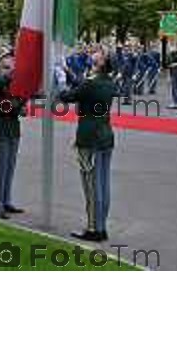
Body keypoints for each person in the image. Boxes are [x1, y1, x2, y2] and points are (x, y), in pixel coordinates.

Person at [59, 50, 119, 242]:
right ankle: (101, 226)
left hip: (89, 137)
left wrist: (60, 79)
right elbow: (83, 85)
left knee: (91, 186)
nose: (96, 53)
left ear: (102, 63)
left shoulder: (91, 84)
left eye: (101, 55)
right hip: (105, 135)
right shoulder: (108, 82)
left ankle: (93, 228)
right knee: (103, 184)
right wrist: (68, 71)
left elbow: (67, 96)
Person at [0, 52, 25, 220]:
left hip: (13, 128)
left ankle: (6, 200)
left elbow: (19, 106)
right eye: (6, 67)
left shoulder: (12, 83)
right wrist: (18, 105)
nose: (10, 71)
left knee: (10, 167)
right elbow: (5, 107)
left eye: (13, 67)